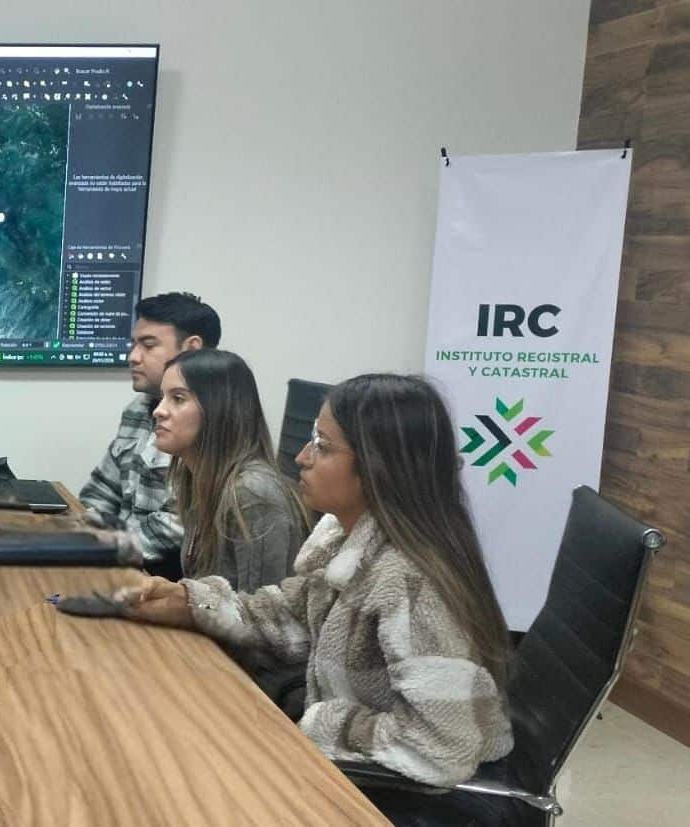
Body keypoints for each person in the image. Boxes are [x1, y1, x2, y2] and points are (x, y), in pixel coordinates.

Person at [115, 374, 514, 819]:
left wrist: (323, 723)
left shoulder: (410, 581)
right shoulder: (350, 541)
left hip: (410, 799)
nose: (302, 458)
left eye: (323, 446)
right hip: (353, 771)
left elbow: (438, 748)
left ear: (378, 466)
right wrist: (190, 603)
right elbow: (290, 614)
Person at [57, 349, 309, 711]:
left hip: (256, 691)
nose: (159, 411)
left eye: (178, 399)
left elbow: (264, 630)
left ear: (219, 411)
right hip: (211, 658)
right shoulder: (194, 479)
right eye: (163, 398)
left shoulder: (253, 494)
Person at [78, 292, 220, 579]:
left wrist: (95, 550)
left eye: (148, 345)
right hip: (118, 559)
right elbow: (102, 491)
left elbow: (176, 525)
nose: (133, 356)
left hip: (163, 577)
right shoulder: (138, 409)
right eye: (134, 344)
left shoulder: (212, 422)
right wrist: (78, 535)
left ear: (191, 349)